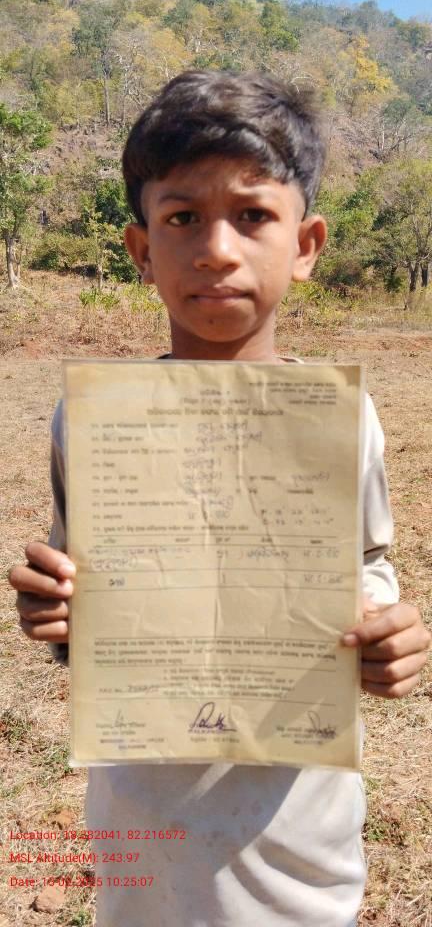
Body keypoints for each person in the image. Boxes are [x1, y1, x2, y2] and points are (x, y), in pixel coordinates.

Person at [9, 71, 430, 927]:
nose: (217, 250)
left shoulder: (345, 419)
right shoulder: (89, 421)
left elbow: (368, 563)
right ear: (140, 250)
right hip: (144, 817)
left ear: (306, 244)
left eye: (253, 215)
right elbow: (81, 596)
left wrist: (387, 631)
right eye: (182, 219)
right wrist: (55, 610)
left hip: (296, 825)